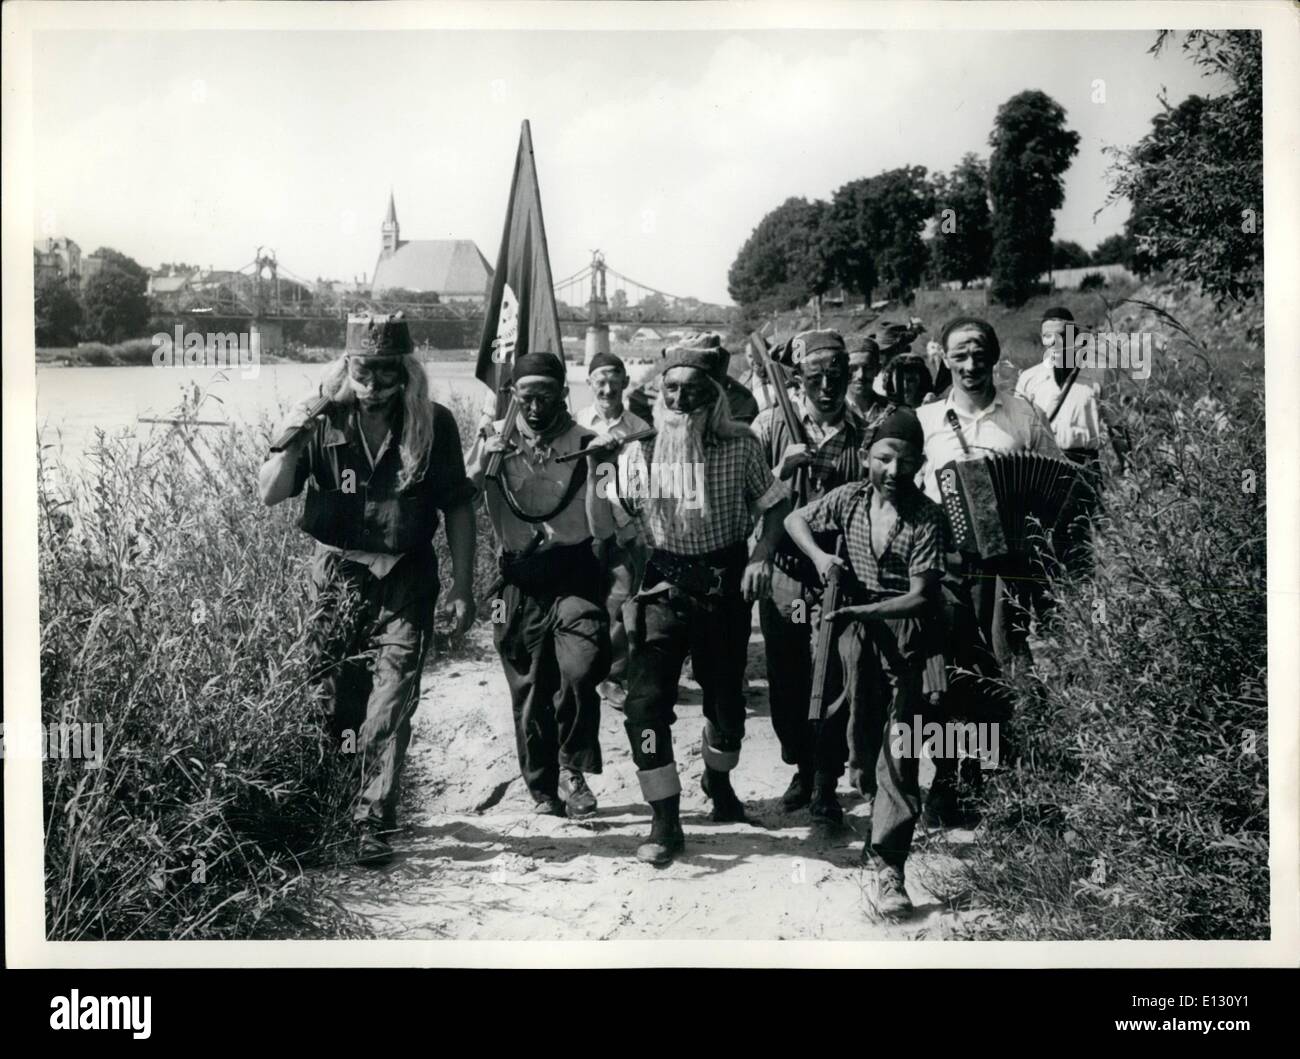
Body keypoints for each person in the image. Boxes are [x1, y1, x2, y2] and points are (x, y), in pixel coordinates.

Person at [258, 313, 477, 867]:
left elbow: (457, 506)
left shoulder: (435, 424)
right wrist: (294, 431)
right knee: (333, 699)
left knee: (391, 698)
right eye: (362, 372)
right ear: (346, 367)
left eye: (385, 372)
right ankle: (333, 802)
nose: (373, 385)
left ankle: (371, 820)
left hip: (405, 576)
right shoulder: (321, 422)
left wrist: (463, 585)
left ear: (406, 371)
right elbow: (269, 494)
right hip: (335, 575)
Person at [618, 345, 789, 865]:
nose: (680, 399)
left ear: (713, 395)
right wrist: (604, 471)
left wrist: (762, 555)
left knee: (727, 710)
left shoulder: (742, 445)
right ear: (658, 393)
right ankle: (665, 818)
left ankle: (719, 783)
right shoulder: (639, 452)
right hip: (662, 588)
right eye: (671, 389)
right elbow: (613, 524)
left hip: (725, 589)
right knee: (643, 708)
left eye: (693, 389)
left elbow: (776, 506)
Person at [784, 406, 945, 917]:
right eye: (883, 459)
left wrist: (864, 608)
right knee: (850, 721)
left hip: (905, 634)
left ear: (920, 464)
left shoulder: (927, 518)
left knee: (902, 741)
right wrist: (820, 557)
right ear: (865, 458)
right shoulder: (848, 500)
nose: (893, 472)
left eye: (905, 462)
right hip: (853, 632)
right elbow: (793, 519)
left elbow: (921, 597)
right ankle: (833, 792)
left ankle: (890, 865)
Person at [916, 316, 1063, 823]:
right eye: (960, 355)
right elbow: (906, 491)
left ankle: (1002, 782)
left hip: (1010, 570)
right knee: (952, 669)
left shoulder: (1024, 414)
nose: (971, 365)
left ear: (995, 357)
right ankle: (949, 776)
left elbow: (1060, 481)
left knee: (1005, 664)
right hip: (949, 565)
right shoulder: (926, 420)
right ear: (943, 359)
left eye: (979, 354)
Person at [465, 352, 614, 820]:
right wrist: (480, 463)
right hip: (518, 580)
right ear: (513, 395)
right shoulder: (492, 439)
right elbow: (461, 501)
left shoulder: (591, 442)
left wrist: (598, 470)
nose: (535, 405)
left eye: (545, 394)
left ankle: (573, 770)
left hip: (575, 573)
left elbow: (605, 527)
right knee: (529, 690)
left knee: (581, 667)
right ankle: (542, 788)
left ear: (564, 395)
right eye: (525, 395)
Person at [750, 329, 869, 825]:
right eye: (816, 377)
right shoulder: (769, 424)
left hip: (837, 574)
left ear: (849, 377)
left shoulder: (862, 432)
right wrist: (782, 469)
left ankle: (827, 779)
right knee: (788, 673)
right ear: (799, 379)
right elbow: (744, 500)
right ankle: (800, 765)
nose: (827, 386)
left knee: (835, 670)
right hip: (785, 572)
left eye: (836, 376)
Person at [575, 351, 651, 709]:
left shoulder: (639, 429)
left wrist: (628, 528)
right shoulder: (576, 426)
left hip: (624, 531)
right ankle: (582, 670)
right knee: (585, 600)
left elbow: (642, 487)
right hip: (582, 530)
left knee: (621, 601)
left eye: (613, 381)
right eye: (599, 381)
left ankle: (614, 676)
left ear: (625, 383)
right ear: (589, 383)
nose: (606, 389)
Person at [626, 331, 761, 426]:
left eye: (692, 387)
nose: (680, 397)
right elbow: (636, 398)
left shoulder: (740, 398)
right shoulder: (661, 383)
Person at [846, 335, 888, 422]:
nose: (860, 375)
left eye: (868, 368)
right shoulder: (830, 412)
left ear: (877, 369)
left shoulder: (891, 410)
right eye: (853, 368)